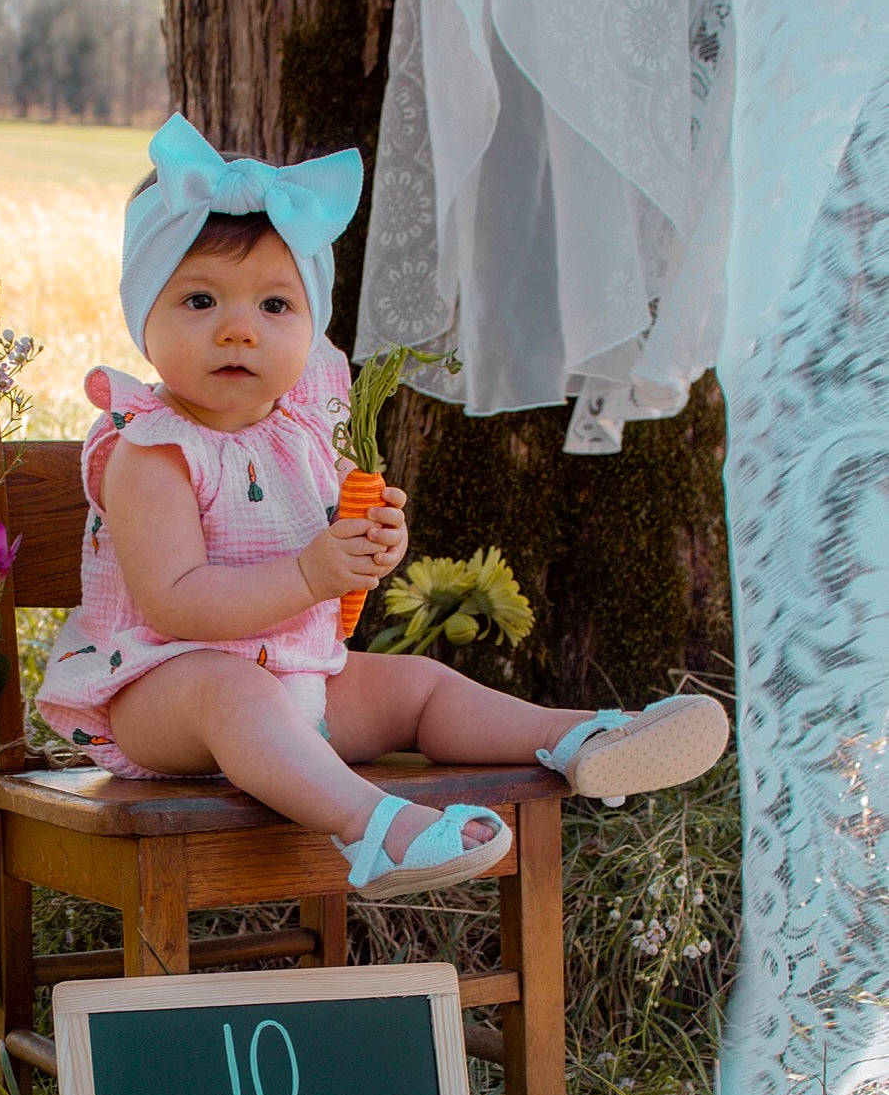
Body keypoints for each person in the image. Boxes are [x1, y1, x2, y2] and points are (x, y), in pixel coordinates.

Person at [37, 115, 728, 900]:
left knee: (417, 685)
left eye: (274, 305)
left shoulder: (304, 431)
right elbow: (175, 602)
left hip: (302, 680)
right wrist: (308, 575)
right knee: (231, 691)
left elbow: (328, 550)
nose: (237, 330)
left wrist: (371, 543)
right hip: (163, 693)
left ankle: (577, 738)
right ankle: (375, 832)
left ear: (311, 324)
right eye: (199, 299)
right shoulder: (151, 449)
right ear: (142, 318)